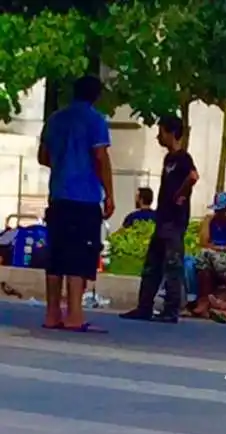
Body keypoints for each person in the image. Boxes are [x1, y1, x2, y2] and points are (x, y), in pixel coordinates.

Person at [37, 75, 114, 332]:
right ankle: (74, 315)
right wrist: (109, 193)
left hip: (59, 194)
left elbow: (43, 156)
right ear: (96, 96)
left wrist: (63, 165)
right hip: (85, 197)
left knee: (56, 255)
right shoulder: (96, 120)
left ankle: (51, 313)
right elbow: (100, 157)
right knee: (80, 255)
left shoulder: (55, 119)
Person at [120, 115, 198, 323]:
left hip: (175, 220)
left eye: (161, 131)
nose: (158, 137)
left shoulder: (183, 157)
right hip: (163, 219)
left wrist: (180, 194)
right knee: (153, 264)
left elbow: (193, 177)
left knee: (172, 265)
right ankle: (144, 306)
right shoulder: (168, 159)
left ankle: (171, 310)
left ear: (171, 132)